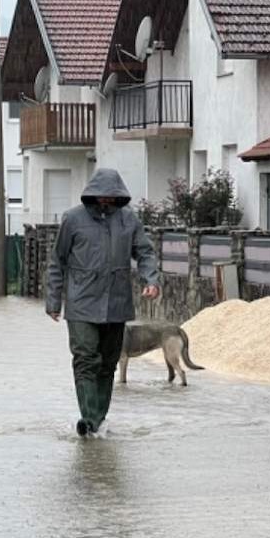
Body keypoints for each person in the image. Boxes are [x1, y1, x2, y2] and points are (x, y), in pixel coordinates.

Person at [46, 169, 161, 437]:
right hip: (81, 304)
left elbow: (145, 253)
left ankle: (96, 421)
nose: (106, 201)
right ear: (92, 195)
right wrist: (53, 300)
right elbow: (57, 261)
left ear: (119, 196)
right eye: (102, 197)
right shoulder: (73, 219)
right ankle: (88, 420)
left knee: (108, 363)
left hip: (116, 305)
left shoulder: (128, 220)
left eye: (112, 197)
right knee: (86, 358)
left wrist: (151, 280)